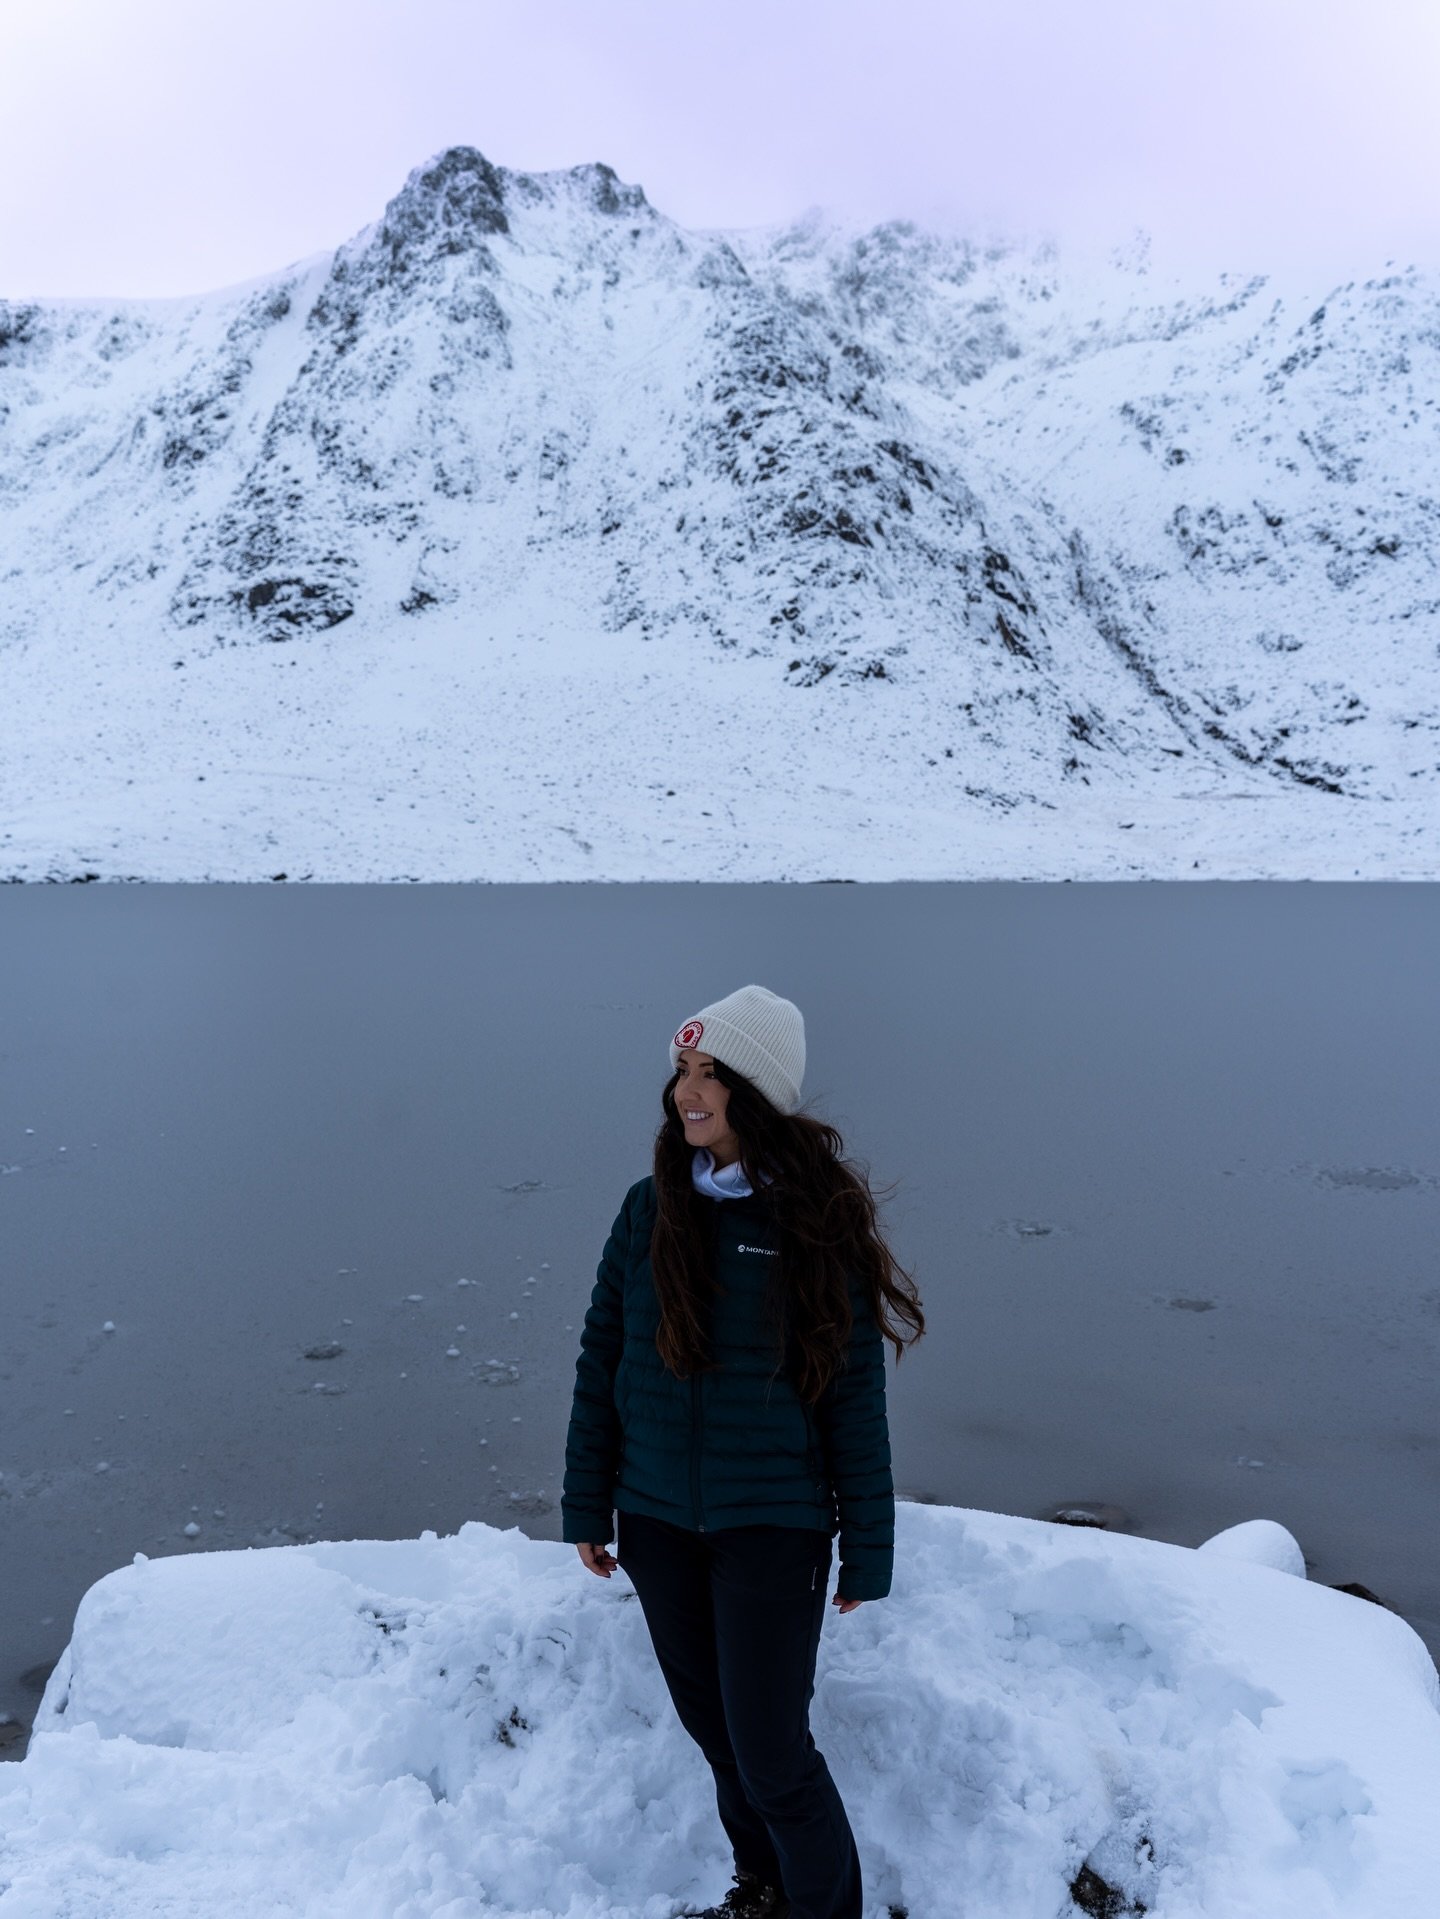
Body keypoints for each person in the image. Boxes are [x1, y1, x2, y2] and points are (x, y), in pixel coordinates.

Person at [561, 984, 926, 1919]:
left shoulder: (811, 1220)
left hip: (772, 1526)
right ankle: (762, 1889)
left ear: (754, 1093)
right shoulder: (649, 1211)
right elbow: (604, 1356)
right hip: (655, 1520)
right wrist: (587, 1503)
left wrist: (867, 1546)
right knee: (719, 1735)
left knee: (772, 1751)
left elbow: (852, 1393)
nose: (688, 1092)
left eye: (711, 1075)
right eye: (683, 1070)